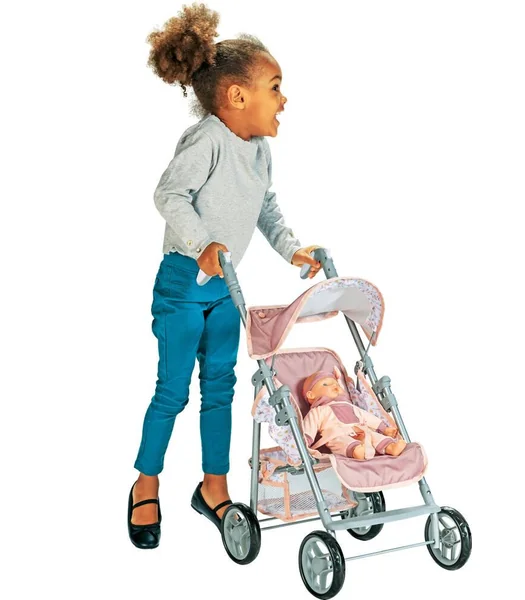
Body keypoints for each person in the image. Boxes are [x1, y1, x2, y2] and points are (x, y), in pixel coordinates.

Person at [128, 3, 323, 549]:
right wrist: (202, 245)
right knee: (172, 391)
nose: (284, 100)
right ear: (237, 96)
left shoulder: (259, 152)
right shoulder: (208, 140)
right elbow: (169, 194)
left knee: (220, 388)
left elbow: (267, 209)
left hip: (225, 288)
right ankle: (146, 482)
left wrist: (292, 249)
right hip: (182, 284)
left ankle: (213, 487)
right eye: (275, 88)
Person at [302, 368, 407, 460]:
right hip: (337, 434)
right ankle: (356, 451)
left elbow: (366, 416)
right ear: (311, 395)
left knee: (374, 436)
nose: (334, 385)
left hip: (361, 430)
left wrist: (384, 428)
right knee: (341, 442)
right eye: (325, 384)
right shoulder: (317, 411)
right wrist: (305, 441)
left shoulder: (348, 405)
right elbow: (309, 427)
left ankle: (390, 447)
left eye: (336, 383)